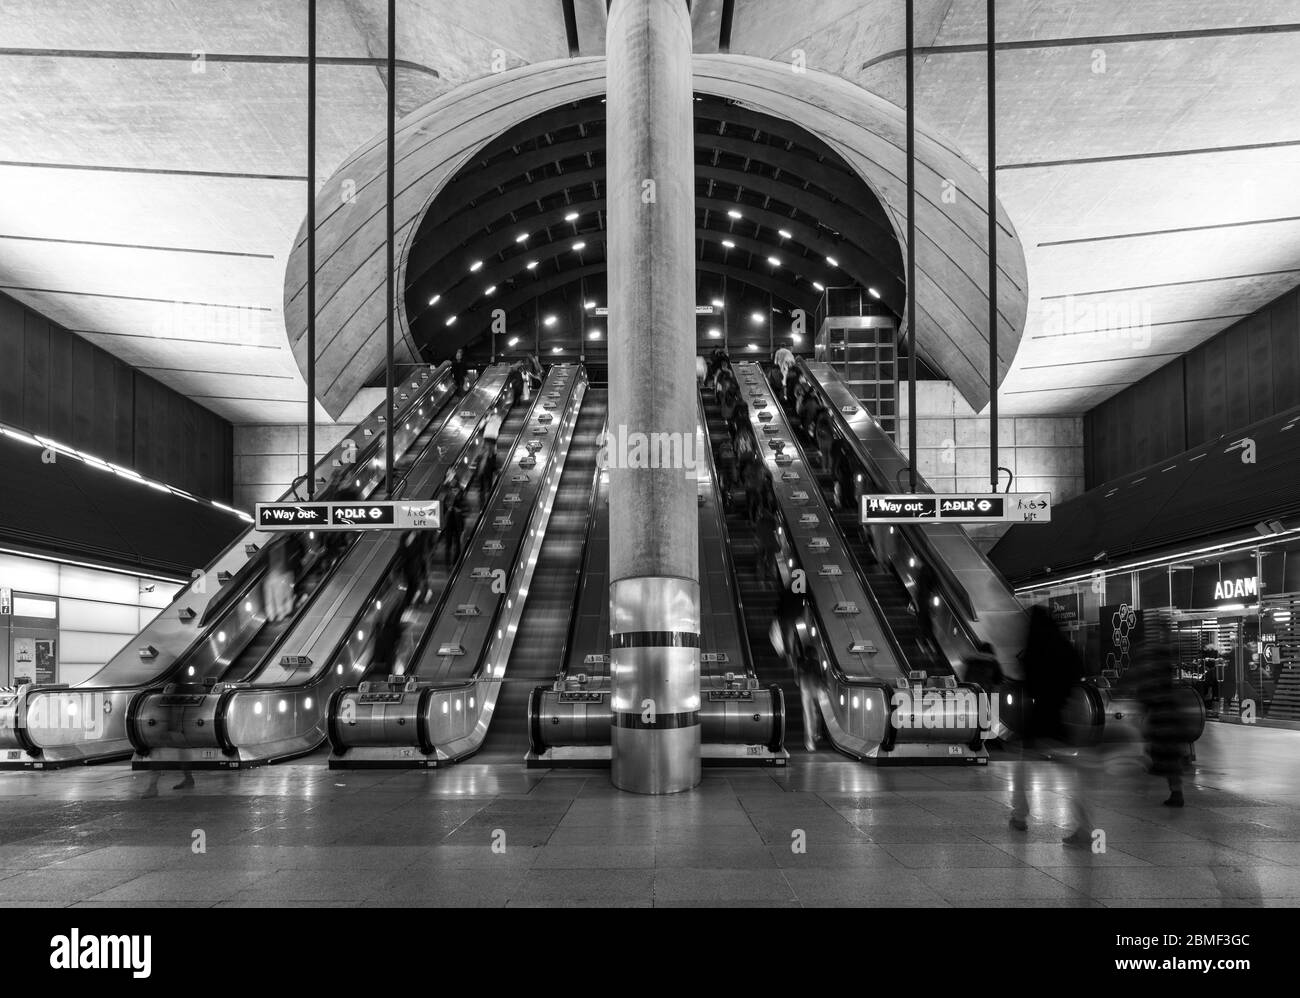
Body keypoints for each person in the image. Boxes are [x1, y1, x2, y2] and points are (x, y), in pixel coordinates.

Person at [1009, 605, 1093, 845]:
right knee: (1074, 770)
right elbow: (1080, 673)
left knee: (1022, 768)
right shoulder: (1066, 647)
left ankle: (1019, 816)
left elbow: (1029, 686)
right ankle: (1085, 827)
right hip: (1066, 716)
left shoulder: (1034, 650)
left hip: (1040, 719)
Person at [1134, 612, 1192, 808]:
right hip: (1169, 713)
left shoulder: (1150, 657)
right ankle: (1175, 792)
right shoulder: (1162, 658)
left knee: (1161, 754)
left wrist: (1143, 706)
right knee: (1168, 755)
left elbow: (1144, 687)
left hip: (1160, 714)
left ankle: (1168, 793)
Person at [442, 479, 466, 569]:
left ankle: (456, 562)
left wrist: (457, 510)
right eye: (452, 489)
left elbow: (464, 509)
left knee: (458, 545)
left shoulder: (461, 497)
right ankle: (448, 564)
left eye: (455, 489)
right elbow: (443, 511)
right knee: (448, 545)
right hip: (448, 524)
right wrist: (448, 509)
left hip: (458, 524)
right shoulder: (447, 498)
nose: (454, 491)